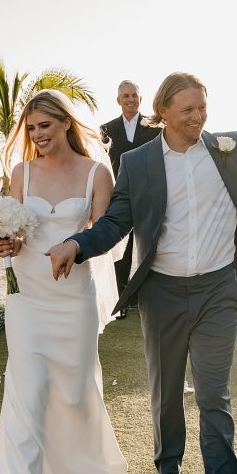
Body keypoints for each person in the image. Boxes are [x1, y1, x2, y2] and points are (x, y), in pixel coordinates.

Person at [48, 72, 237, 474]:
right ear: (161, 111)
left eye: (202, 108)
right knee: (166, 391)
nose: (197, 118)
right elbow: (116, 223)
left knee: (214, 397)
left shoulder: (233, 148)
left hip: (217, 291)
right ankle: (168, 473)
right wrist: (77, 244)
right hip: (162, 293)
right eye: (186, 110)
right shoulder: (141, 162)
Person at [0, 89, 127, 474]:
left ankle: (84, 465)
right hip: (27, 298)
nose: (37, 136)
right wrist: (4, 244)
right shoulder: (21, 173)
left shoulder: (96, 172)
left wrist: (75, 243)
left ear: (65, 124)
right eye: (30, 130)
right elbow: (12, 234)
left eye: (45, 127)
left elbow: (104, 234)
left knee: (75, 391)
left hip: (75, 298)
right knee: (26, 392)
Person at [100, 80, 161, 316]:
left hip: (149, 195)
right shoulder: (105, 129)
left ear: (140, 99)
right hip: (120, 196)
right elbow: (102, 163)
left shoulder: (155, 127)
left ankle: (150, 297)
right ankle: (122, 300)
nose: (130, 99)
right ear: (118, 100)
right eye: (125, 96)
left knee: (149, 247)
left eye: (134, 95)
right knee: (121, 250)